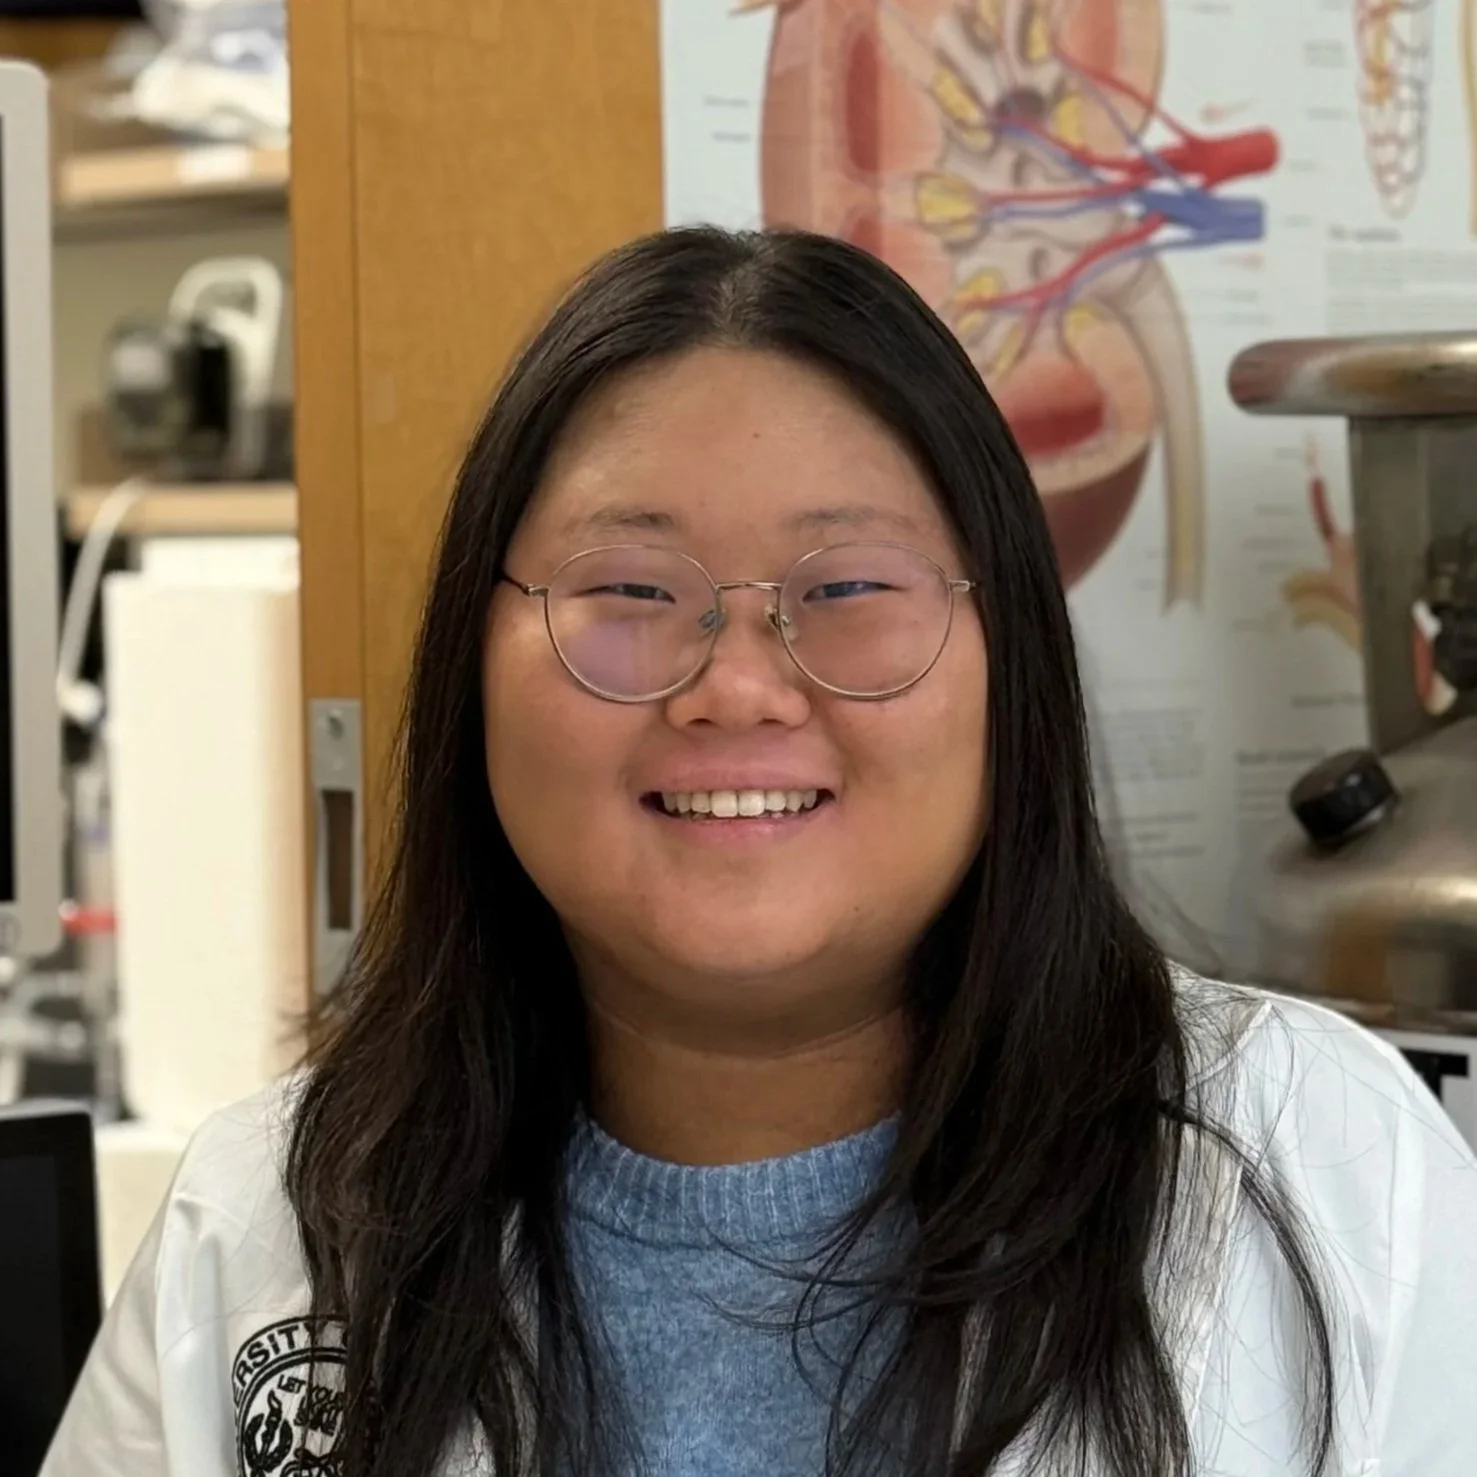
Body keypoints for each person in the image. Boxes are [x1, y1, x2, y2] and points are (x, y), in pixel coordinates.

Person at [42, 226, 1477, 1477]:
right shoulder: (274, 1225)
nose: (737, 685)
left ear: (1012, 660)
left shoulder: (1323, 1164)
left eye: (847, 585)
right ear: (469, 665)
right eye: (629, 587)